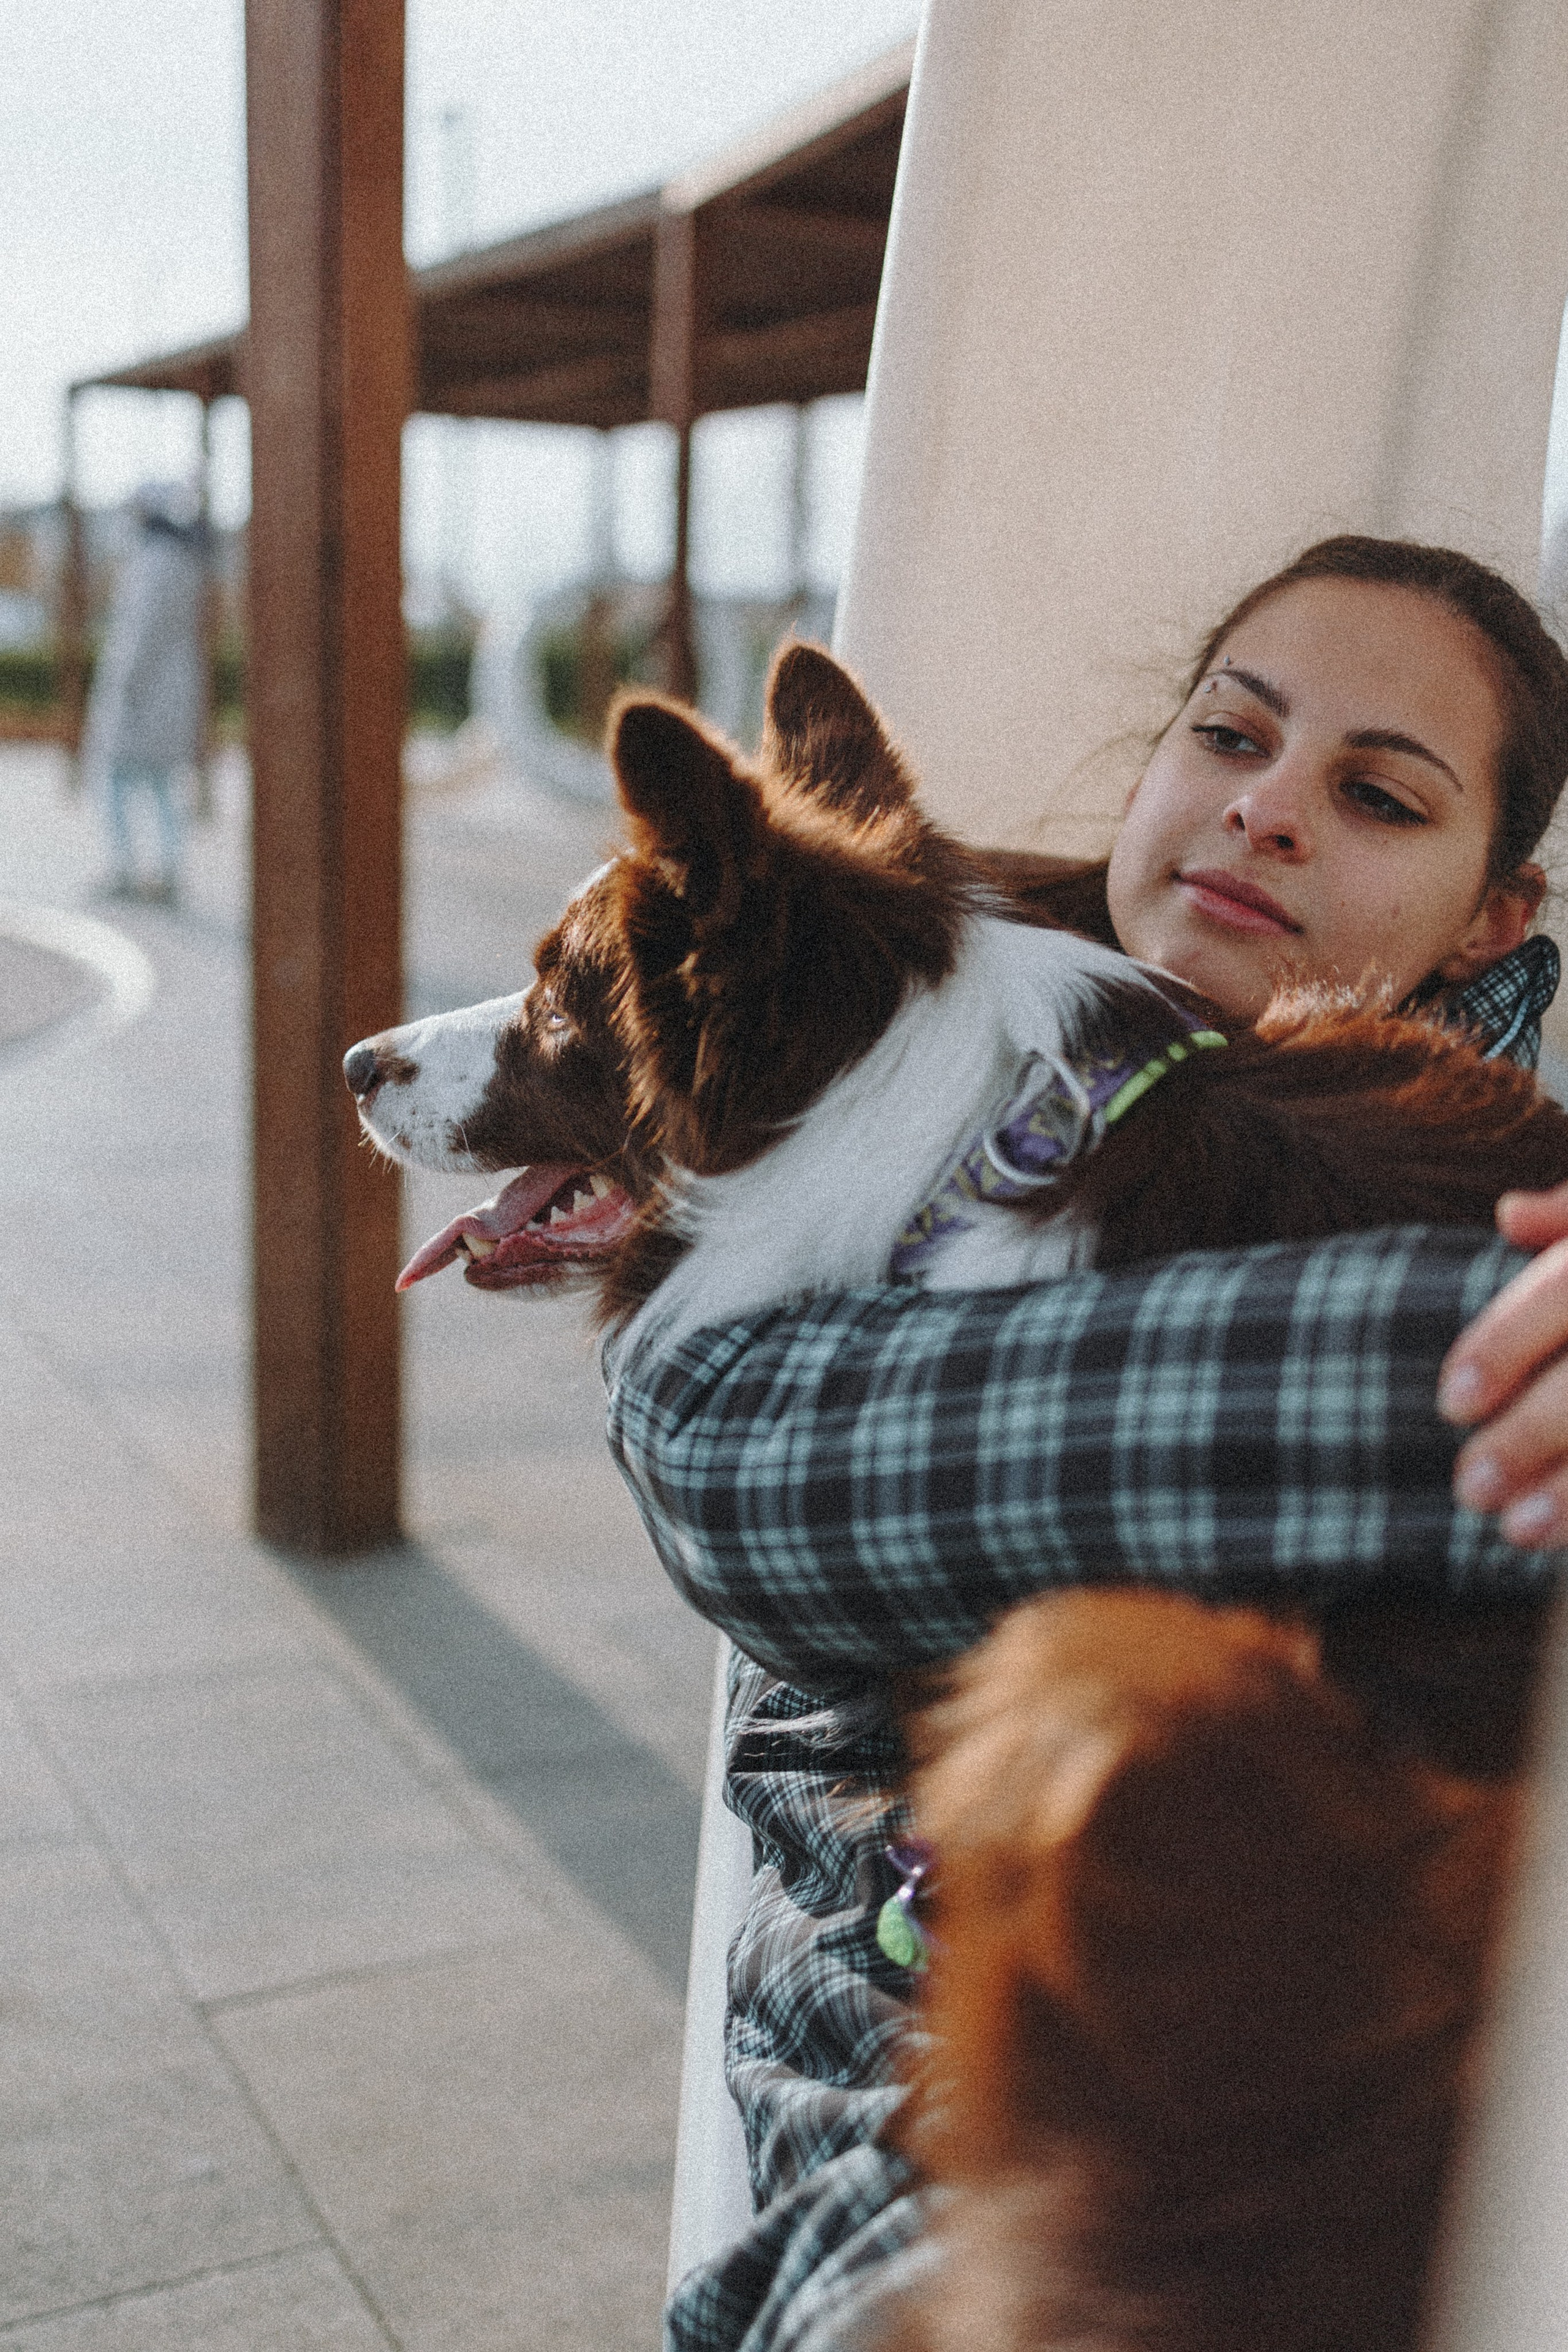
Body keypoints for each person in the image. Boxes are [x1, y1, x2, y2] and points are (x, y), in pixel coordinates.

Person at [605, 537, 1568, 2352]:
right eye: (1227, 735)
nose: (1265, 809)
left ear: (1488, 917)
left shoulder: (1519, 1176)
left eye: (1372, 791)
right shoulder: (881, 1068)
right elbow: (713, 1436)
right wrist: (1473, 1366)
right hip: (893, 2141)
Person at [83, 482, 207, 907]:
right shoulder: (184, 563)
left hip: (142, 695)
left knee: (116, 781)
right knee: (161, 784)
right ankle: (168, 868)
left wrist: (125, 688)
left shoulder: (152, 564)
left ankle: (125, 867)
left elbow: (138, 636)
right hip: (170, 691)